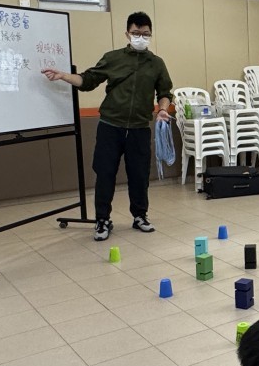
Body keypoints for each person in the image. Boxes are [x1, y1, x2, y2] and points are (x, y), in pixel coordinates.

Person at [42, 12, 173, 241]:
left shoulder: (156, 63)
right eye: (136, 33)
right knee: (105, 174)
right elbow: (88, 80)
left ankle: (140, 216)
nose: (140, 37)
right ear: (127, 34)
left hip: (139, 128)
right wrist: (64, 76)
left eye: (145, 34)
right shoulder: (113, 58)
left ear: (151, 35)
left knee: (139, 175)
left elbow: (165, 93)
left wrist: (162, 109)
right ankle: (102, 220)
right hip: (110, 126)